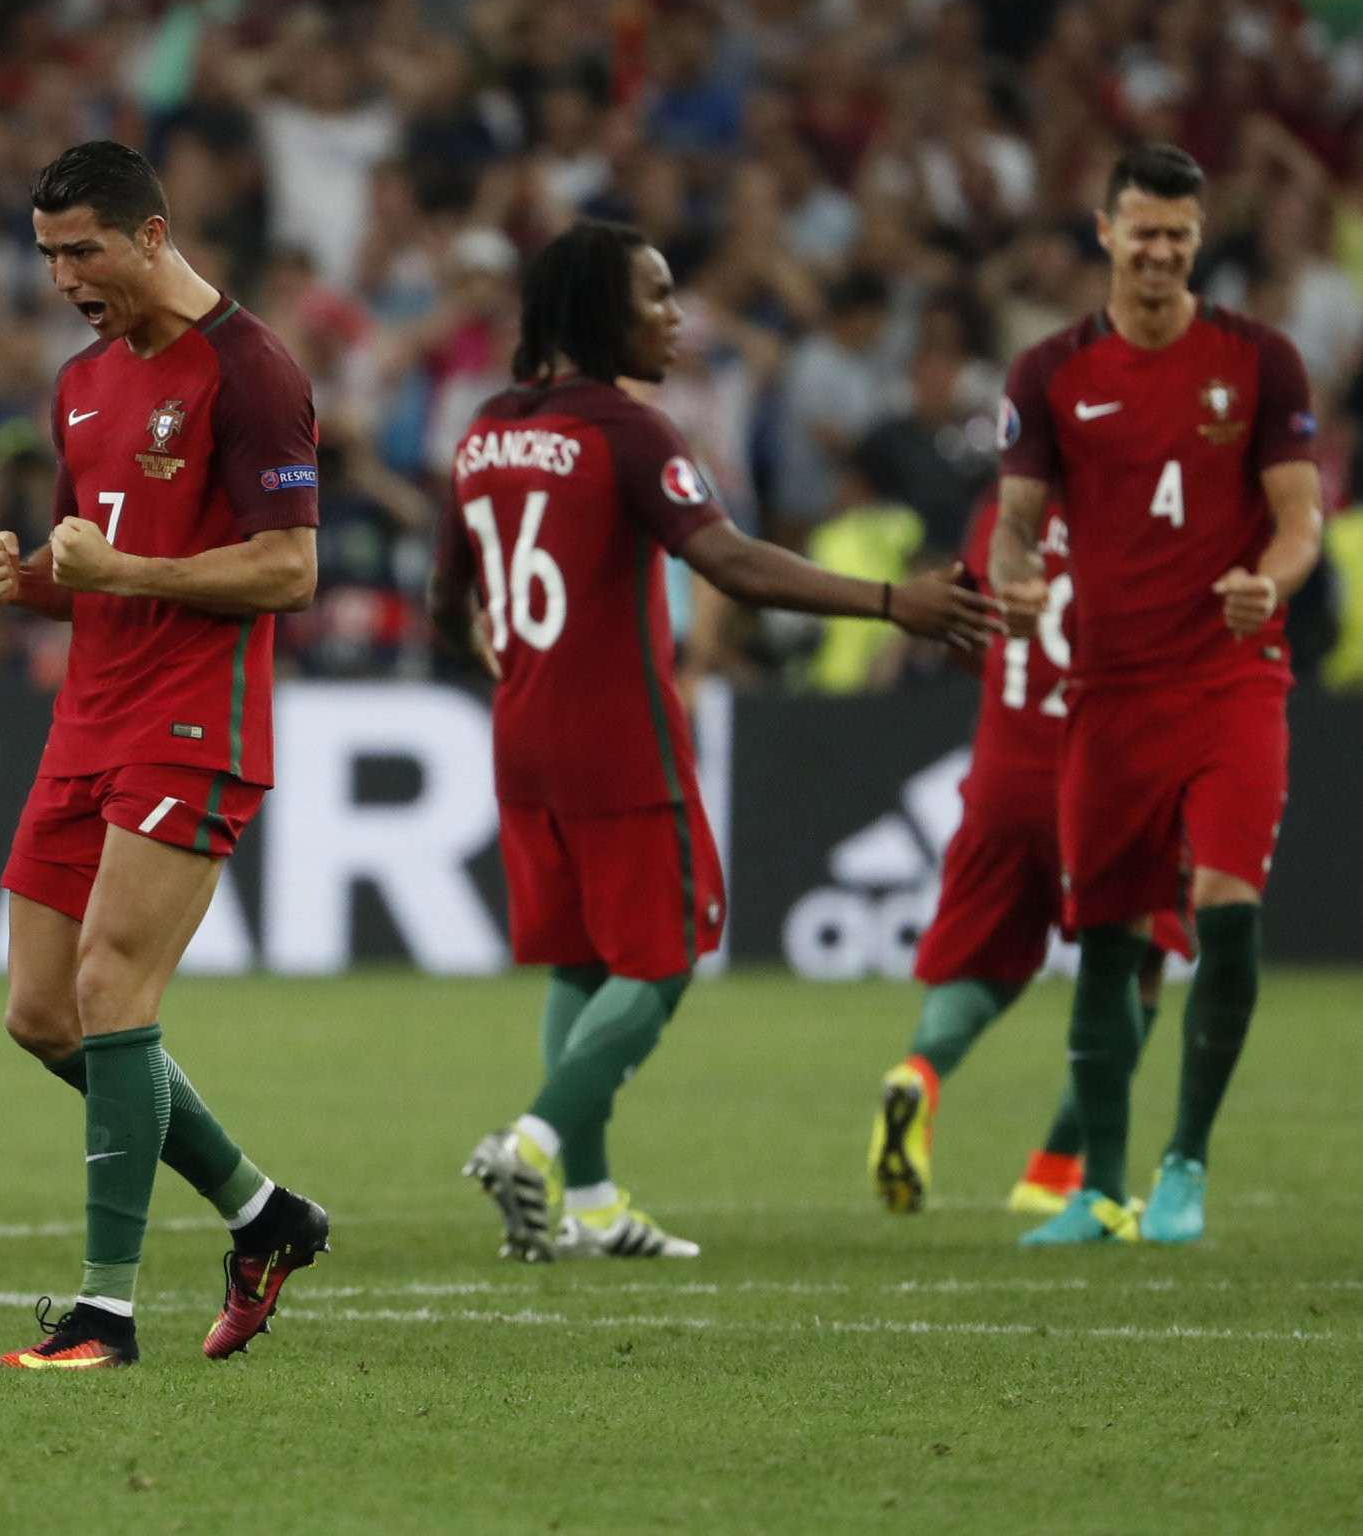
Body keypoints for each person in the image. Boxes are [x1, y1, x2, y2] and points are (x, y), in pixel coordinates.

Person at [429, 220, 997, 1264]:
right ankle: (531, 1142)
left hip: (523, 743)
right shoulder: (628, 430)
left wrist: (495, 656)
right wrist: (889, 601)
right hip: (619, 741)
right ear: (602, 309)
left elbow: (443, 603)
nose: (674, 315)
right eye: (653, 295)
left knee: (580, 962)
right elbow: (728, 561)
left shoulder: (482, 430)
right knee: (665, 958)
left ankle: (591, 1207)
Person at [0, 141, 330, 1370]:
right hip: (90, 718)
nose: (65, 276)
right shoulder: (79, 383)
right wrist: (32, 584)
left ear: (153, 236)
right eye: (48, 254)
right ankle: (264, 1215)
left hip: (196, 720)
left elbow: (289, 567)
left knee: (116, 994)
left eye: (84, 251)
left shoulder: (253, 368)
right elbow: (100, 571)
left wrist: (120, 571)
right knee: (39, 1014)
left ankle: (104, 1316)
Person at [992, 144, 1321, 1247]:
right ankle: (1101, 1189)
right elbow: (1015, 519)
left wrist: (1262, 585)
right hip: (1109, 688)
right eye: (1144, 230)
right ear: (1103, 231)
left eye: (1180, 232)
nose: (1163, 250)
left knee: (1226, 903)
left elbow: (1299, 520)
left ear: (1197, 236)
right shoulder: (1047, 374)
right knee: (1107, 935)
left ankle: (1184, 1167)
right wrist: (1013, 572)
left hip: (1231, 678)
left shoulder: (1259, 360)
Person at [867, 487, 1191, 1217]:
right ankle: (1052, 1168)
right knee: (1138, 971)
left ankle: (920, 1073)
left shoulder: (1001, 515)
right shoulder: (1145, 506)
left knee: (982, 965)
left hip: (1003, 779)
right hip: (1107, 780)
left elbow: (956, 624)